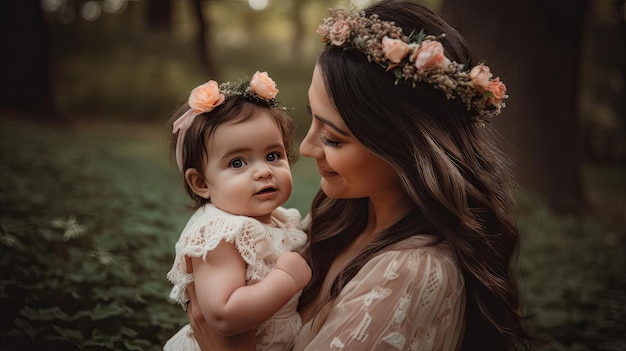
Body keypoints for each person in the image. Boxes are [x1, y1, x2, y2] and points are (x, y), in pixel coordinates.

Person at [185, 1, 535, 349]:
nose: (305, 148)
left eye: (333, 139)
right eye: (313, 118)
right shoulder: (336, 219)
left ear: (404, 150)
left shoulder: (410, 273)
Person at [164, 71, 312, 351]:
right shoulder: (221, 233)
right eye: (237, 163)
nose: (264, 171)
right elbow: (223, 315)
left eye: (273, 156)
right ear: (201, 182)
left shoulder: (281, 219)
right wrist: (287, 279)